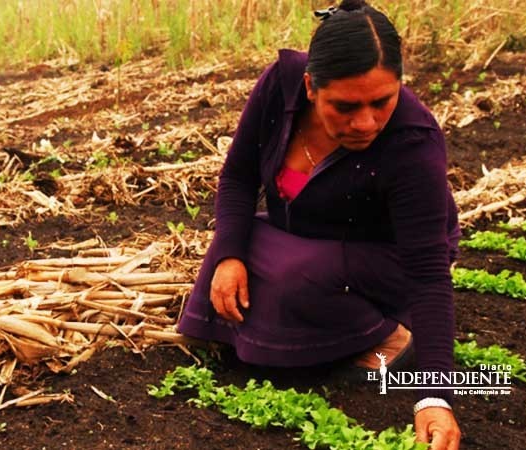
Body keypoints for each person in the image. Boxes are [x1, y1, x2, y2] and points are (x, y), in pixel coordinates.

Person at [176, 1, 462, 448]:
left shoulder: (411, 142)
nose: (366, 122)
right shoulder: (279, 87)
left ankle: (386, 336)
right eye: (345, 106)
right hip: (308, 233)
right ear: (311, 87)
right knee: (231, 248)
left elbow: (428, 273)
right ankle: (303, 324)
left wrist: (435, 398)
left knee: (294, 276)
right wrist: (230, 256)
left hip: (388, 258)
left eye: (382, 102)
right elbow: (238, 177)